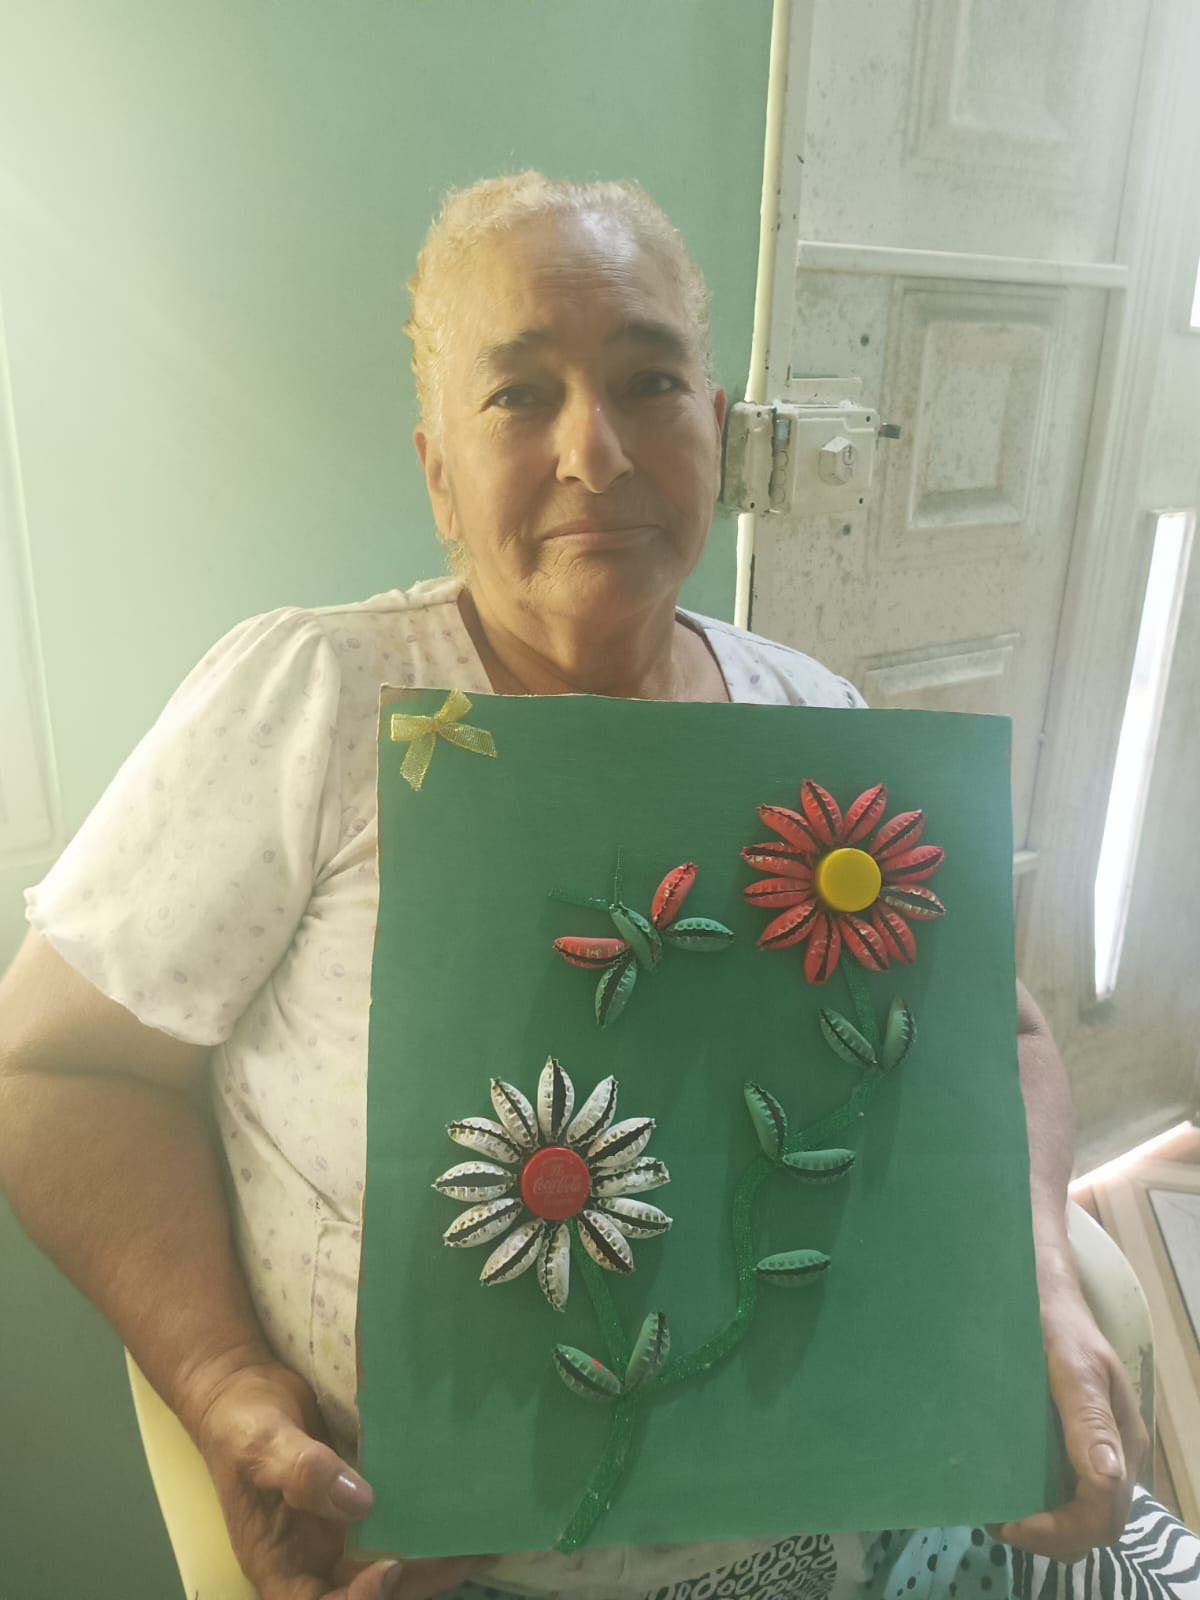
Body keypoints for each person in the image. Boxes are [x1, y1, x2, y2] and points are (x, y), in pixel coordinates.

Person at [0, 173, 1182, 1600]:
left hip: (882, 1532)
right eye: (520, 395)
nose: (596, 451)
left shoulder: (812, 721)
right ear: (437, 468)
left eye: (650, 381)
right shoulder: (320, 702)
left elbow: (998, 1037)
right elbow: (52, 1070)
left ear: (716, 428)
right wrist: (218, 1377)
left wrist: (1034, 1278)